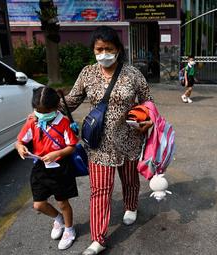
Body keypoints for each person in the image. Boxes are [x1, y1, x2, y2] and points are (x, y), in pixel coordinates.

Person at [59, 26, 153, 255]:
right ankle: (98, 238)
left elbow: (148, 102)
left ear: (118, 50)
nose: (104, 53)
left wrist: (147, 121)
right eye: (99, 49)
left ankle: (131, 206)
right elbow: (71, 101)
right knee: (99, 191)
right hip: (98, 144)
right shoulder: (87, 73)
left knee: (130, 180)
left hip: (129, 139)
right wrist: (47, 108)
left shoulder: (133, 74)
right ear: (93, 50)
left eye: (108, 49)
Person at [15, 87, 79, 250]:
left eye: (43, 111)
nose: (40, 114)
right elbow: (20, 141)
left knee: (62, 203)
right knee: (38, 204)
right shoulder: (32, 121)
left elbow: (72, 146)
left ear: (55, 108)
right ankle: (59, 220)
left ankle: (69, 229)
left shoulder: (63, 122)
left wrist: (57, 153)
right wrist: (20, 147)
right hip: (40, 168)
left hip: (60, 168)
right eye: (37, 110)